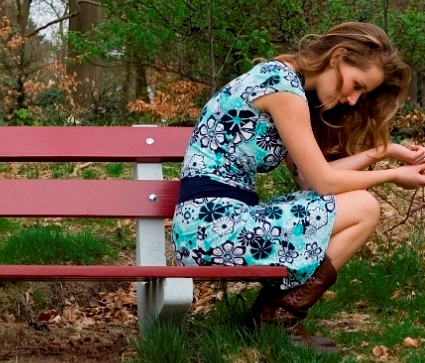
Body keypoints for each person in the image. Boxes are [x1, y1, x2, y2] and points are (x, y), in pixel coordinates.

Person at [172, 22, 425, 354]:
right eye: (356, 85)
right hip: (210, 231)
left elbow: (309, 179)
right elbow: (323, 183)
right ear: (339, 56)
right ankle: (277, 317)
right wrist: (391, 176)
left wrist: (387, 152)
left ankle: (274, 316)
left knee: (359, 205)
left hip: (217, 225)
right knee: (364, 207)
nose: (352, 100)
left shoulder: (283, 83)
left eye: (361, 94)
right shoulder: (282, 89)